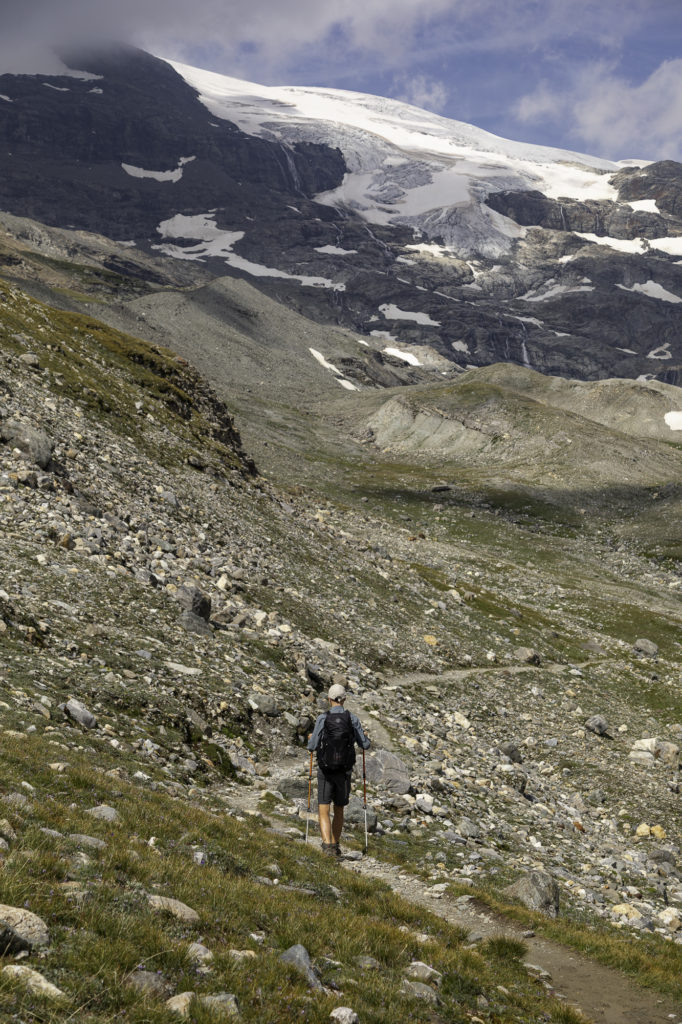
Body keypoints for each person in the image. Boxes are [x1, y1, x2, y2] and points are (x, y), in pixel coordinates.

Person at [307, 682, 370, 857]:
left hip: (325, 770)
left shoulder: (322, 718)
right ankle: (335, 844)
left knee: (323, 806)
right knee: (339, 808)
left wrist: (310, 739)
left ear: (329, 699)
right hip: (344, 770)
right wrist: (365, 737)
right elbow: (364, 744)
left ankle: (327, 846)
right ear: (344, 699)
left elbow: (311, 747)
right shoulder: (352, 719)